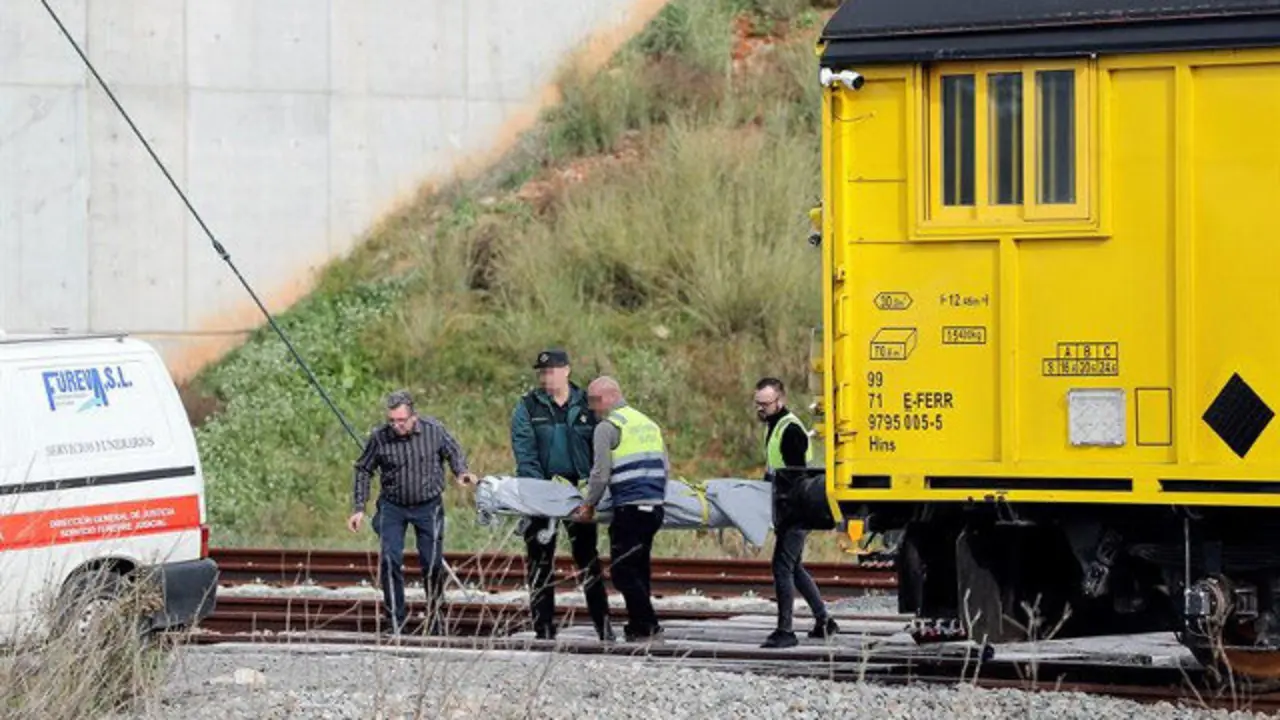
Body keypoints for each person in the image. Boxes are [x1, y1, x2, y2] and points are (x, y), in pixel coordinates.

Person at [348, 390, 476, 636]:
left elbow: (453, 451)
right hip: (392, 506)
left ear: (413, 417)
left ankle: (436, 620)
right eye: (392, 421)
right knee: (389, 560)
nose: (396, 426)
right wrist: (359, 508)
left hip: (428, 505)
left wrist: (461, 472)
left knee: (432, 564)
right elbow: (363, 469)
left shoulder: (433, 430)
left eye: (401, 421)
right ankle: (395, 621)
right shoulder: (380, 438)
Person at [510, 348, 614, 642]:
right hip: (541, 490)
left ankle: (603, 626)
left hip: (578, 490)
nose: (546, 377)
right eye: (542, 372)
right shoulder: (528, 407)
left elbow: (601, 449)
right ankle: (543, 629)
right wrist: (538, 492)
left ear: (566, 370)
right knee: (539, 560)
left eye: (552, 371)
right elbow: (525, 452)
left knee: (587, 558)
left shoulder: (586, 404)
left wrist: (593, 490)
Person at [571, 376, 667, 643]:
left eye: (595, 401)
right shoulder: (648, 424)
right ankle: (638, 627)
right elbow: (666, 467)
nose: (593, 408)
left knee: (622, 571)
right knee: (639, 569)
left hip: (630, 508)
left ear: (611, 396)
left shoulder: (607, 427)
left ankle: (649, 627)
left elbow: (600, 473)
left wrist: (589, 504)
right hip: (655, 508)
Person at [754, 376, 839, 649]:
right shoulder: (775, 425)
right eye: (758, 404)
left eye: (765, 404)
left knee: (782, 567)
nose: (761, 409)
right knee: (794, 567)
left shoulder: (790, 429)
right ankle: (825, 621)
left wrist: (784, 508)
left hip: (795, 509)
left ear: (780, 400)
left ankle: (785, 630)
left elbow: (795, 477)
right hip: (787, 508)